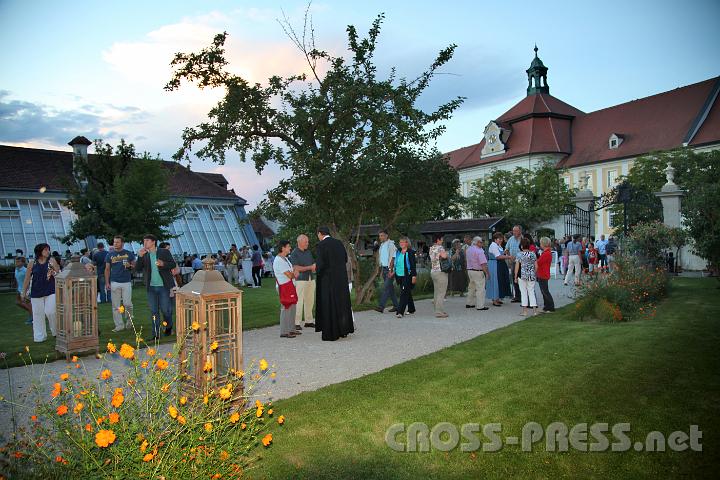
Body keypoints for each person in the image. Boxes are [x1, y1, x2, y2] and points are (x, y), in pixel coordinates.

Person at [314, 226, 354, 341]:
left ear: (320, 234)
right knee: (341, 304)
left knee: (329, 305)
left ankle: (332, 332)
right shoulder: (339, 243)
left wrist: (318, 271)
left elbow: (320, 264)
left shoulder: (321, 245)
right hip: (341, 279)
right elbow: (345, 259)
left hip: (328, 279)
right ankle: (343, 330)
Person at [135, 234, 177, 340]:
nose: (145, 243)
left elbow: (172, 264)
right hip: (151, 288)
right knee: (154, 311)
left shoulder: (164, 252)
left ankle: (169, 326)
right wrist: (139, 257)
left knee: (166, 310)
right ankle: (156, 335)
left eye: (147, 240)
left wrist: (163, 264)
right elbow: (138, 269)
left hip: (164, 286)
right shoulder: (144, 254)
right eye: (144, 241)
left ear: (153, 242)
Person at [21, 243, 60, 342]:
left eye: (48, 250)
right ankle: (40, 337)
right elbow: (27, 279)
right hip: (36, 292)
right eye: (46, 250)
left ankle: (56, 332)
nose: (48, 252)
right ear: (39, 251)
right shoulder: (32, 263)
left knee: (51, 312)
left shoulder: (51, 260)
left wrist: (54, 269)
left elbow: (59, 274)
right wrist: (23, 292)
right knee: (38, 315)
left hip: (50, 290)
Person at [105, 236, 135, 332]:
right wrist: (107, 282)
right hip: (114, 282)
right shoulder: (110, 255)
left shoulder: (129, 254)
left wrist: (130, 266)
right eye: (114, 242)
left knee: (127, 304)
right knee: (116, 306)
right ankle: (119, 325)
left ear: (122, 243)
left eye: (117, 242)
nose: (115, 244)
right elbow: (107, 269)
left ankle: (129, 321)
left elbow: (134, 266)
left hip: (126, 281)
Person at [273, 240, 300, 338]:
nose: (290, 248)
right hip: (284, 286)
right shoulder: (279, 260)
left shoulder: (285, 258)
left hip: (289, 286)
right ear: (283, 248)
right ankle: (284, 331)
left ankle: (291, 329)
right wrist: (295, 274)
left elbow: (291, 271)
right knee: (286, 308)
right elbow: (289, 275)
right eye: (288, 246)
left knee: (292, 307)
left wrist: (294, 272)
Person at [290, 234, 316, 330]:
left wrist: (314, 267)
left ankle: (308, 321)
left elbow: (312, 263)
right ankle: (296, 322)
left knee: (310, 300)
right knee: (299, 301)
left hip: (310, 278)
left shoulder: (308, 252)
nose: (307, 243)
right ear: (299, 242)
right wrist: (310, 267)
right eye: (306, 242)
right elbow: (295, 267)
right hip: (300, 280)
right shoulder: (294, 253)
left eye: (307, 241)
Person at [374, 230, 399, 314]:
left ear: (386, 236)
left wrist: (390, 269)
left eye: (382, 235)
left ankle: (381, 306)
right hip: (384, 269)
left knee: (386, 287)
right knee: (390, 288)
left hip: (390, 269)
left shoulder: (391, 245)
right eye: (380, 236)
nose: (380, 237)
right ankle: (397, 306)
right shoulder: (382, 245)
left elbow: (393, 258)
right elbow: (382, 258)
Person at [394, 236, 417, 318]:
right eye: (400, 242)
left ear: (407, 243)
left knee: (403, 293)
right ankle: (411, 309)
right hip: (399, 275)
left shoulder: (411, 252)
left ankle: (400, 312)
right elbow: (395, 262)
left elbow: (413, 266)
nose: (401, 244)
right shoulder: (398, 251)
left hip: (407, 275)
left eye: (403, 242)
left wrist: (414, 276)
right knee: (407, 291)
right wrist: (392, 270)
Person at [486, 233, 512, 307]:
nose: (501, 240)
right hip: (494, 264)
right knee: (495, 281)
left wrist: (504, 253)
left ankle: (497, 298)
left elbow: (500, 254)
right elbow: (497, 256)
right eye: (499, 239)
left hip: (499, 264)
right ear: (495, 239)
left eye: (501, 239)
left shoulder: (498, 245)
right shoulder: (493, 245)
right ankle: (494, 299)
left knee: (499, 281)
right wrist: (508, 257)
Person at [514, 237, 538, 316]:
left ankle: (524, 311)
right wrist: (533, 273)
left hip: (522, 275)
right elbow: (536, 266)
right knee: (531, 292)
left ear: (521, 246)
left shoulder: (519, 255)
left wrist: (515, 276)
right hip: (531, 275)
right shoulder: (533, 254)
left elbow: (517, 267)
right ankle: (534, 311)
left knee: (523, 293)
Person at [465, 236, 490, 311]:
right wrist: (487, 273)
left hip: (470, 270)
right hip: (478, 271)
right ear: (477, 242)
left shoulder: (469, 249)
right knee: (480, 289)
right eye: (481, 242)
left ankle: (469, 303)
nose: (482, 243)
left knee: (471, 287)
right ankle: (480, 306)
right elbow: (483, 264)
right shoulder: (480, 251)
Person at [428, 233, 450, 318]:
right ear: (438, 239)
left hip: (433, 271)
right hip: (441, 272)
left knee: (436, 292)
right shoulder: (440, 247)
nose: (442, 240)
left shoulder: (431, 248)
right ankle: (439, 312)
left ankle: (437, 309)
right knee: (441, 292)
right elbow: (444, 256)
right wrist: (447, 253)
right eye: (441, 239)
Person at [536, 237, 555, 313]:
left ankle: (550, 306)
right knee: (544, 291)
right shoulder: (547, 252)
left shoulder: (546, 253)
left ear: (543, 244)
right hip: (543, 273)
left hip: (543, 274)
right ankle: (546, 306)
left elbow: (539, 262)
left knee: (545, 291)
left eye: (541, 243)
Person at [506, 225, 523, 303]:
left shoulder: (524, 239)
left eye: (516, 231)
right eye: (513, 231)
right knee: (515, 279)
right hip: (513, 262)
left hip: (522, 263)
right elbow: (506, 249)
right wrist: (509, 256)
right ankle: (517, 297)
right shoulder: (511, 239)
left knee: (523, 279)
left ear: (520, 231)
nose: (514, 232)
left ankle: (524, 296)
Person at [14, 256, 33, 325]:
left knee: (28, 304)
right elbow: (17, 279)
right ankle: (31, 312)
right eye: (16, 261)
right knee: (18, 302)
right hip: (19, 289)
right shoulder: (16, 269)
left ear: (23, 263)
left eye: (18, 261)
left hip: (26, 290)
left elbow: (29, 280)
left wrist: (27, 291)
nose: (16, 263)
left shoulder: (25, 270)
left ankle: (32, 319)